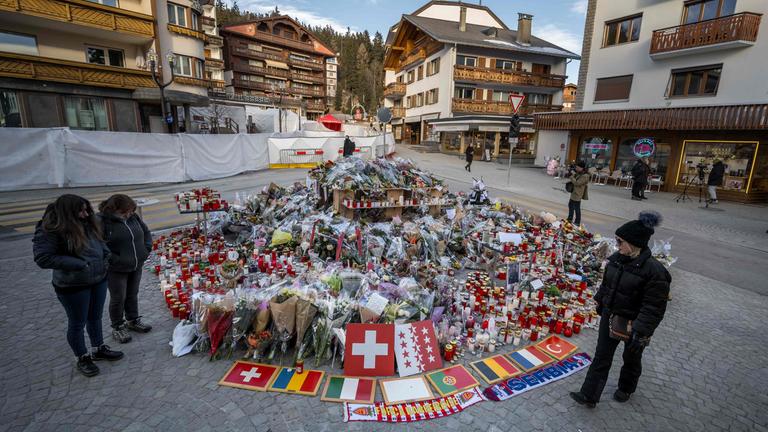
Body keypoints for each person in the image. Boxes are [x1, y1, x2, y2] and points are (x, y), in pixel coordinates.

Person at [571, 211, 670, 408]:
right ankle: (589, 394)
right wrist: (600, 301)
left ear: (634, 244)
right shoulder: (617, 259)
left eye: (620, 242)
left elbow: (654, 306)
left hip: (635, 323)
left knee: (631, 358)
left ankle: (626, 388)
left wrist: (640, 330)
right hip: (611, 315)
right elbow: (606, 284)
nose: (617, 246)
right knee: (602, 355)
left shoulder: (655, 271)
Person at [33, 195, 123, 377]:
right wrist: (79, 264)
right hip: (73, 284)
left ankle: (98, 348)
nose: (85, 214)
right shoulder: (51, 228)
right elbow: (43, 258)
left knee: (95, 318)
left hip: (97, 278)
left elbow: (99, 241)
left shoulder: (88, 221)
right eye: (80, 211)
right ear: (68, 213)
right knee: (77, 323)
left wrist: (106, 255)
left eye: (86, 209)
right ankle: (82, 357)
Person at [99, 195, 153, 344]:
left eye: (130, 212)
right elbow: (100, 245)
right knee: (118, 297)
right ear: (114, 209)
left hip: (136, 263)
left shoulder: (133, 217)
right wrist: (114, 259)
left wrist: (146, 249)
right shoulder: (103, 221)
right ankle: (118, 326)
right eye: (125, 213)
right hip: (117, 268)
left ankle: (133, 320)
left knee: (132, 293)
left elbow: (146, 232)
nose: (128, 215)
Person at [567, 160, 589, 226]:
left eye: (577, 167)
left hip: (578, 194)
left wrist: (571, 176)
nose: (576, 168)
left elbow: (577, 183)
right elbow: (574, 179)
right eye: (576, 167)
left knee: (577, 208)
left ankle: (577, 222)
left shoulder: (585, 176)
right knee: (570, 205)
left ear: (582, 168)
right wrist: (572, 174)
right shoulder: (579, 173)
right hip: (574, 192)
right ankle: (569, 219)